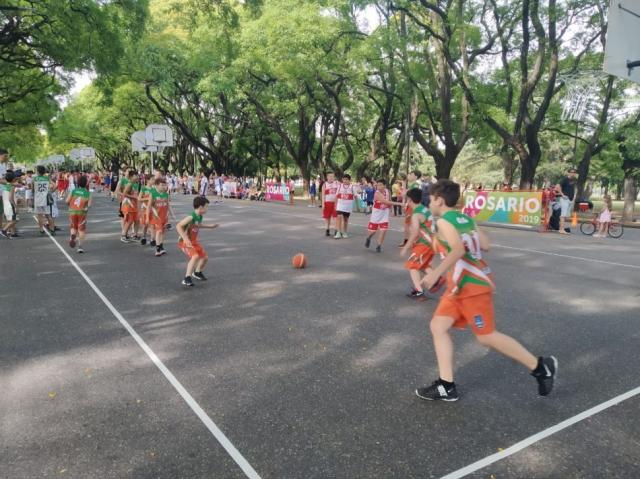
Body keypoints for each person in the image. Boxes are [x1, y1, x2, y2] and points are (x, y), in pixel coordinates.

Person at [415, 179, 557, 401]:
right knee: (438, 326)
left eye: (431, 199)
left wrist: (435, 272)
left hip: (472, 286)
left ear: (439, 200)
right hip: (457, 287)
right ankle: (446, 385)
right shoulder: (466, 218)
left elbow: (459, 250)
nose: (429, 203)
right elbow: (486, 245)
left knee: (486, 337)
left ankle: (540, 367)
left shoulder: (444, 222)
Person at [400, 188, 444, 301]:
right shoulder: (425, 209)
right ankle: (436, 278)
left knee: (412, 265)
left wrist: (406, 247)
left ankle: (419, 290)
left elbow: (415, 233)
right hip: (432, 243)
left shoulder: (416, 214)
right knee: (423, 265)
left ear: (409, 200)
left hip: (424, 243)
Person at [176, 196, 219, 287]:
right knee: (195, 256)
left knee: (204, 258)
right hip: (184, 242)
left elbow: (198, 225)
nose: (207, 209)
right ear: (200, 207)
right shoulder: (191, 217)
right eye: (206, 206)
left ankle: (197, 272)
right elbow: (178, 226)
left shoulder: (199, 216)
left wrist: (210, 227)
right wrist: (185, 238)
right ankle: (187, 278)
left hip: (193, 241)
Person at [364, 179, 402, 252]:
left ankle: (379, 245)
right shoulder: (377, 193)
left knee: (383, 230)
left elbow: (390, 200)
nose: (379, 187)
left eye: (380, 185)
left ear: (384, 185)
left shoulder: (388, 191)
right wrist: (400, 204)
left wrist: (392, 210)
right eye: (378, 185)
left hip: (385, 212)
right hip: (376, 213)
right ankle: (368, 238)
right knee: (373, 231)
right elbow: (385, 201)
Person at [147, 177, 176, 256]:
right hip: (157, 217)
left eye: (165, 185)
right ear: (156, 185)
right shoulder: (153, 193)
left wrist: (172, 214)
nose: (164, 187)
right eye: (162, 185)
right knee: (159, 231)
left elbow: (168, 205)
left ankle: (161, 246)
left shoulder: (166, 194)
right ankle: (157, 249)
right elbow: (149, 206)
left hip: (165, 217)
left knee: (163, 232)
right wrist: (147, 217)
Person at [66, 175, 91, 253]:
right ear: (86, 183)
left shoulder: (73, 191)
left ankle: (72, 236)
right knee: (81, 230)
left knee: (73, 227)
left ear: (78, 183)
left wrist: (70, 206)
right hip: (82, 212)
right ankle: (80, 246)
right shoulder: (88, 193)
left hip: (72, 211)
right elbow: (89, 205)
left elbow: (67, 201)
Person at [399, 170, 422, 247]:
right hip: (415, 206)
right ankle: (413, 241)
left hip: (412, 207)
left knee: (408, 225)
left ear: (415, 176)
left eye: (411, 174)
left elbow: (404, 194)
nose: (409, 176)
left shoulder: (415, 184)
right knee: (412, 224)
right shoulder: (418, 184)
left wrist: (404, 184)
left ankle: (411, 242)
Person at [33, 165, 55, 235]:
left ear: (38, 171)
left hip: (38, 199)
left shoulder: (35, 179)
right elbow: (55, 185)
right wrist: (51, 191)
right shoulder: (47, 178)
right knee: (48, 215)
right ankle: (52, 229)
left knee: (40, 215)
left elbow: (33, 189)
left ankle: (41, 230)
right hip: (46, 199)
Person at [120, 170, 140, 242]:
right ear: (131, 176)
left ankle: (135, 235)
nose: (137, 177)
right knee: (129, 220)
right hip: (128, 204)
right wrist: (133, 197)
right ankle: (123, 235)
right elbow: (124, 194)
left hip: (134, 205)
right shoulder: (129, 184)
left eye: (137, 175)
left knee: (136, 220)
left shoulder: (136, 184)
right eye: (136, 175)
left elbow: (136, 194)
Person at [556, 168, 577, 234]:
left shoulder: (573, 180)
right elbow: (557, 186)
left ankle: (562, 228)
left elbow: (573, 189)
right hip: (565, 199)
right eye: (571, 172)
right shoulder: (565, 179)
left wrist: (573, 198)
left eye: (574, 172)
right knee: (563, 214)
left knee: (565, 215)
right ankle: (561, 229)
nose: (573, 173)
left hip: (570, 200)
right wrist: (562, 194)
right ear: (568, 173)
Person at [334, 174, 354, 239]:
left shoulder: (352, 187)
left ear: (349, 180)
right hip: (340, 205)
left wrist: (358, 207)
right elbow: (336, 196)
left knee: (346, 219)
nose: (345, 181)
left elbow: (356, 196)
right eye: (344, 179)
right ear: (342, 180)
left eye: (346, 179)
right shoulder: (339, 186)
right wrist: (335, 205)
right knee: (339, 217)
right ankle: (338, 232)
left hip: (348, 206)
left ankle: (344, 232)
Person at [322, 172, 340, 236]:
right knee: (327, 217)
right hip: (327, 203)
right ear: (327, 177)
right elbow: (323, 195)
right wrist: (323, 204)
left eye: (332, 176)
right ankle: (327, 229)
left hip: (335, 203)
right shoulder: (325, 184)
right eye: (330, 176)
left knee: (335, 217)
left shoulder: (337, 183)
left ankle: (336, 230)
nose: (331, 178)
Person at [1, 171, 18, 238]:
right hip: (10, 205)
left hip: (5, 204)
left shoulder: (5, 186)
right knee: (15, 220)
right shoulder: (12, 186)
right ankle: (4, 230)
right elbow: (11, 198)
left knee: (10, 220)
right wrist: (15, 206)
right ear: (13, 179)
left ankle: (11, 232)